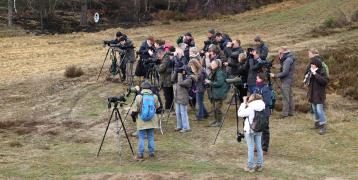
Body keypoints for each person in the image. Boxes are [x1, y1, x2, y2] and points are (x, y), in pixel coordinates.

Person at [130, 81, 160, 160]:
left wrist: (133, 117)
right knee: (151, 137)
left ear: (142, 88)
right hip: (152, 119)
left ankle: (140, 154)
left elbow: (135, 109)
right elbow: (157, 106)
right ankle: (152, 154)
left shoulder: (139, 97)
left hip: (141, 119)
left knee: (141, 138)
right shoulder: (154, 96)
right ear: (150, 88)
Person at [238, 93, 266, 173]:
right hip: (259, 129)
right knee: (259, 147)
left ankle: (250, 166)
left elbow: (240, 114)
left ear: (252, 99)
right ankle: (260, 165)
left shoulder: (251, 108)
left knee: (250, 148)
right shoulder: (262, 106)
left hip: (250, 130)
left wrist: (243, 103)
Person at [270, 46, 295, 118]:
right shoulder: (289, 58)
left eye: (279, 53)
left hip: (286, 80)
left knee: (285, 96)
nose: (278, 55)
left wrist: (275, 75)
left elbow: (285, 72)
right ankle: (290, 112)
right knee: (289, 96)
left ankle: (284, 113)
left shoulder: (287, 60)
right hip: (289, 79)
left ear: (282, 53)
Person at [306, 56, 329, 135]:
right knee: (315, 110)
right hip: (312, 94)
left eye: (313, 64)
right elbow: (308, 82)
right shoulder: (311, 71)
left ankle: (323, 126)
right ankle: (317, 124)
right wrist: (308, 77)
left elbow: (324, 82)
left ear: (317, 65)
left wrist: (315, 74)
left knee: (320, 110)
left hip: (319, 94)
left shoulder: (322, 71)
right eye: (311, 64)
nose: (311, 65)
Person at [171, 65, 197, 133]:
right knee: (178, 113)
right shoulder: (180, 76)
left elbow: (181, 84)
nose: (181, 71)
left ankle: (186, 127)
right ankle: (179, 126)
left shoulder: (189, 78)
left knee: (183, 113)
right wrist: (176, 72)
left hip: (183, 97)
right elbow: (172, 80)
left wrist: (179, 75)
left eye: (182, 70)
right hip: (177, 96)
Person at [205, 59, 230, 127]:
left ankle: (219, 122)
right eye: (211, 64)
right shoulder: (214, 71)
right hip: (215, 92)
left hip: (219, 93)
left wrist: (210, 82)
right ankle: (216, 120)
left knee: (217, 108)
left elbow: (219, 83)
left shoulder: (219, 72)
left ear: (217, 65)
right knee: (214, 107)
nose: (211, 65)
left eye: (213, 64)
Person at [254, 73, 272, 154]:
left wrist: (258, 103)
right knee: (256, 128)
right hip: (256, 112)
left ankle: (264, 148)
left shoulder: (266, 89)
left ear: (261, 79)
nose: (256, 80)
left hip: (264, 112)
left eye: (257, 79)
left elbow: (267, 102)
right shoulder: (256, 88)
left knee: (265, 130)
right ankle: (257, 145)